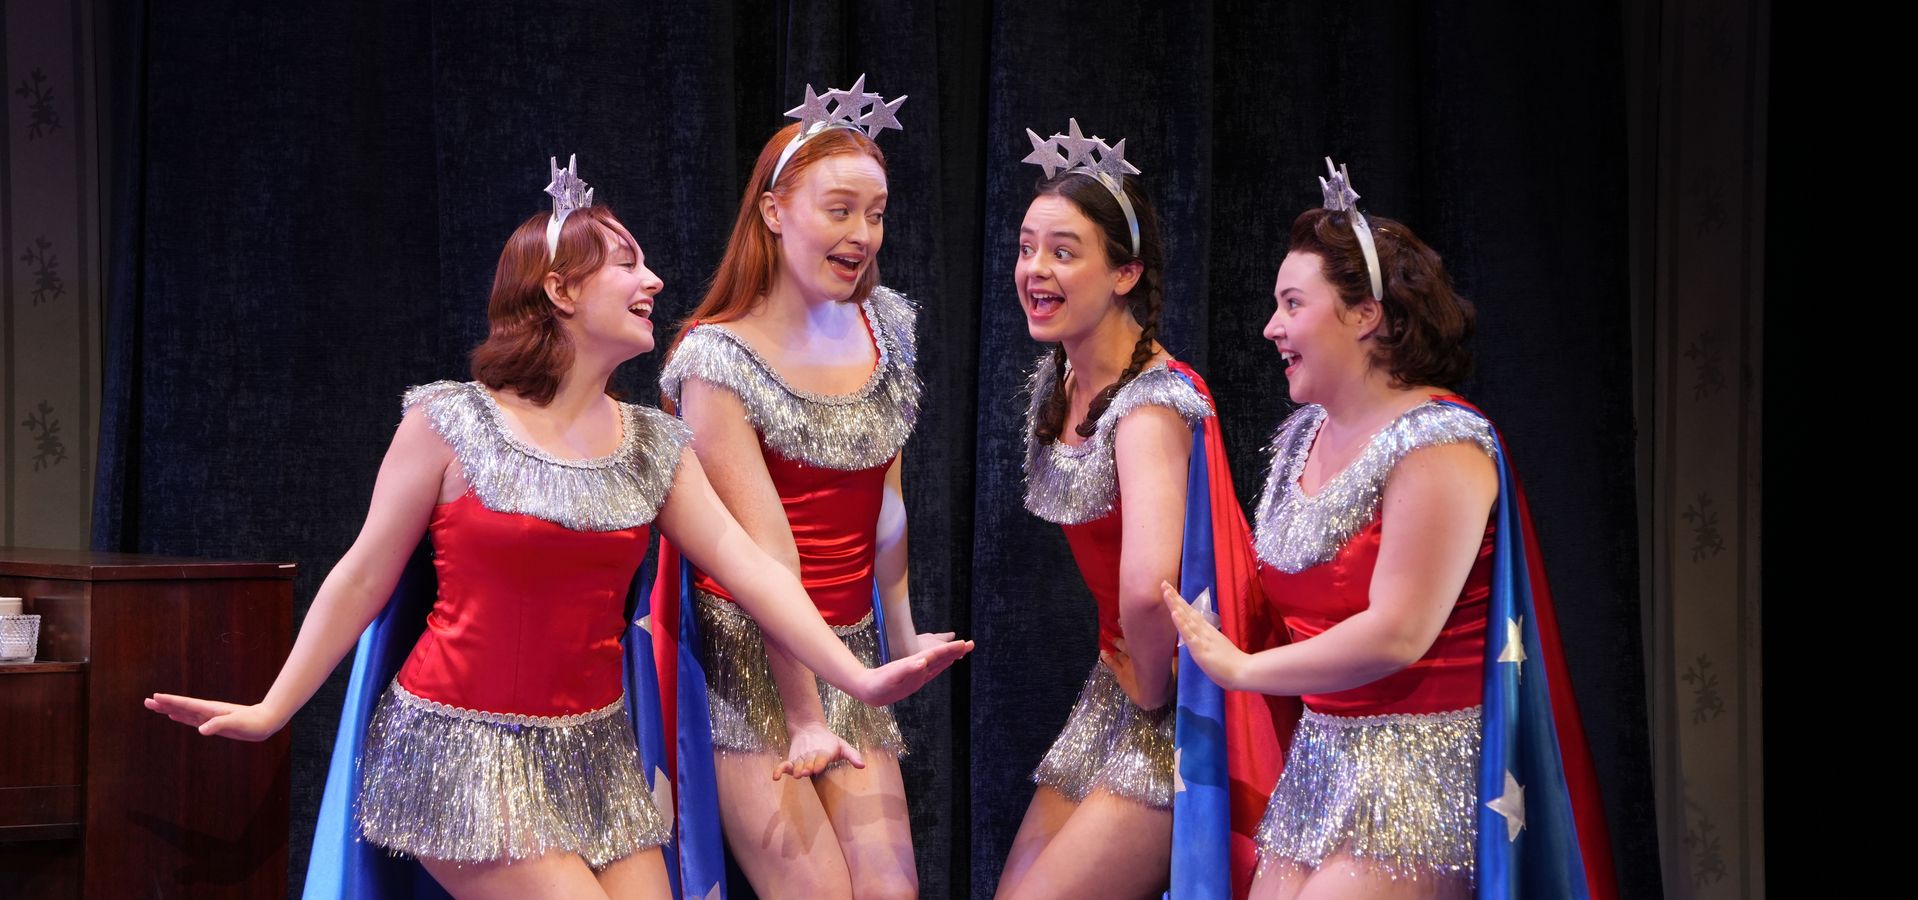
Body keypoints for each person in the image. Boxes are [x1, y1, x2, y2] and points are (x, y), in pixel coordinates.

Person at [146, 156, 968, 900]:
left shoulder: (652, 444)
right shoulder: (448, 422)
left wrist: (857, 679)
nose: (653, 281)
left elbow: (754, 571)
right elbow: (362, 577)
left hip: (596, 758)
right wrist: (271, 708)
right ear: (561, 291)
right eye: (626, 263)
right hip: (461, 754)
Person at [1163, 159, 1616, 899]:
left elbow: (1398, 632)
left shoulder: (1441, 442)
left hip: (1424, 775)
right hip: (1321, 768)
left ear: (1365, 314)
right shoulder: (1300, 438)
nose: (1270, 327)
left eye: (1291, 304)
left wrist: (1241, 671)